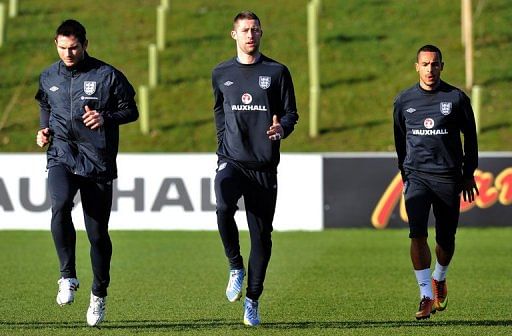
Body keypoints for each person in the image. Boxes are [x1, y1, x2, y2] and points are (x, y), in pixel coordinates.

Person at [35, 19, 138, 327]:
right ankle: (67, 276)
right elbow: (45, 104)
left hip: (97, 162)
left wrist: (105, 117)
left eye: (74, 47)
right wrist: (44, 130)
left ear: (85, 45)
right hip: (62, 155)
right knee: (60, 204)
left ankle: (99, 295)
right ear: (56, 44)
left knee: (97, 234)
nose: (69, 53)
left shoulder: (107, 75)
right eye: (63, 48)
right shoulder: (49, 75)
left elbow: (131, 110)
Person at [211, 11, 298, 326]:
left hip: (263, 165)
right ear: (233, 34)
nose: (251, 34)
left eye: (256, 30)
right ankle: (235, 266)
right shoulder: (221, 73)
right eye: (245, 30)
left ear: (261, 34)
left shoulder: (276, 72)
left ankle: (252, 300)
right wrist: (223, 147)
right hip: (232, 160)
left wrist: (281, 130)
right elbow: (219, 112)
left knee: (261, 237)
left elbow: (290, 113)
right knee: (222, 205)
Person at [393, 44, 479, 320]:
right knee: (417, 233)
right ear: (416, 66)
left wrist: (468, 174)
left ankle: (439, 278)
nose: (430, 69)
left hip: (448, 178)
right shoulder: (404, 100)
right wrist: (405, 173)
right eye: (425, 64)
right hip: (417, 176)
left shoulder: (455, 98)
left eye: (435, 64)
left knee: (445, 239)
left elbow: (471, 138)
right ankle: (425, 295)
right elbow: (399, 141)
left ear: (442, 66)